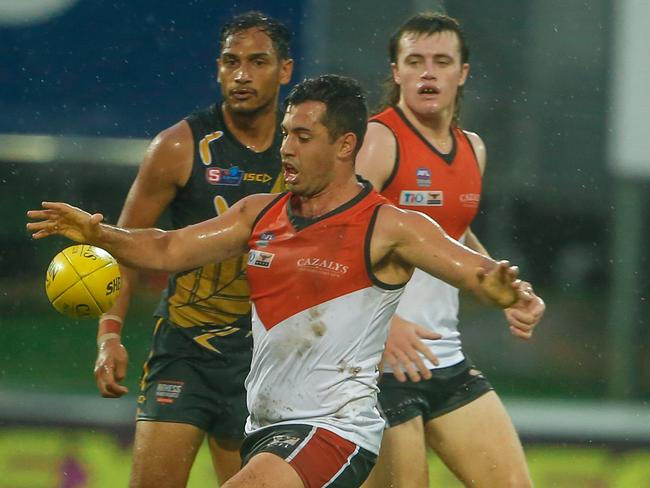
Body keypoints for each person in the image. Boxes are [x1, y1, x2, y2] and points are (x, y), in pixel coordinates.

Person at [28, 74, 540, 488]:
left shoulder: (389, 225)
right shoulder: (259, 214)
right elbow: (168, 247)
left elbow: (474, 271)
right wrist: (99, 233)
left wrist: (505, 291)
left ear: (345, 146)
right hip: (268, 428)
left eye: (302, 136)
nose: (285, 148)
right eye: (286, 134)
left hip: (335, 429)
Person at [90, 11, 293, 487]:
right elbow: (124, 245)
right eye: (231, 61)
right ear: (218, 68)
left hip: (263, 359)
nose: (241, 75)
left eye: (258, 62)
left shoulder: (301, 148)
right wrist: (109, 335)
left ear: (285, 70)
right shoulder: (179, 146)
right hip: (185, 348)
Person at [355, 13, 545, 488]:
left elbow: (450, 237)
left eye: (442, 62)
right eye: (414, 61)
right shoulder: (378, 140)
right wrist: (382, 325)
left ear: (462, 74)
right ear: (396, 72)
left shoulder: (471, 148)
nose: (428, 73)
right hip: (377, 367)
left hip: (445, 361)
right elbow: (332, 238)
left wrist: (507, 288)